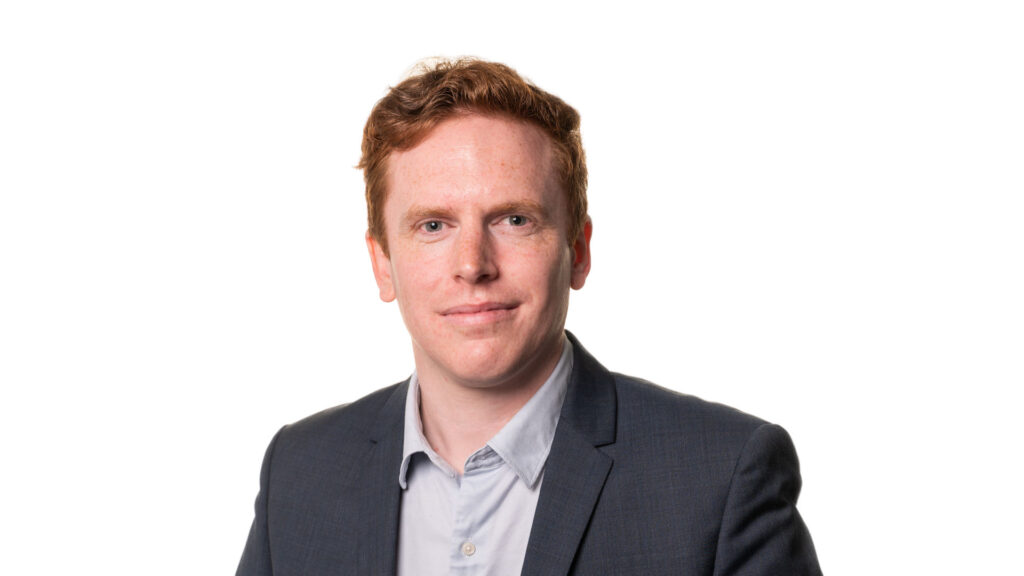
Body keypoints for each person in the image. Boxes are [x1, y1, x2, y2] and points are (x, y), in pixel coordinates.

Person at [236, 58, 822, 576]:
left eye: (514, 220)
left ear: (579, 251)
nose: (473, 265)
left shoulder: (721, 477)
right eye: (433, 225)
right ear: (382, 264)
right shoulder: (299, 472)